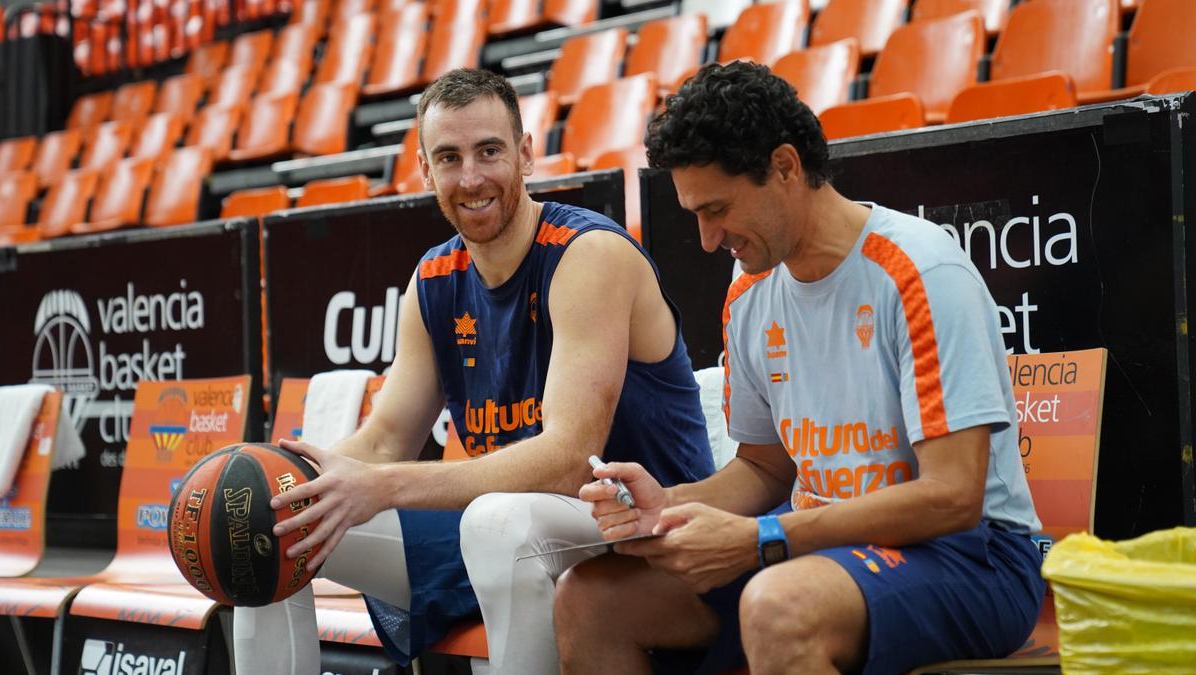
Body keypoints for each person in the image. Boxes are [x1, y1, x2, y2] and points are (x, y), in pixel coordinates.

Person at [553, 61, 1044, 675]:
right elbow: (764, 468)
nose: (707, 240)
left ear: (785, 167)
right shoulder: (749, 289)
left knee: (778, 604)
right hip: (820, 541)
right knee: (589, 598)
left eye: (718, 209)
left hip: (972, 557)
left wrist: (764, 539)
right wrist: (668, 508)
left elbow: (952, 499)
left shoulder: (920, 271)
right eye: (695, 215)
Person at [234, 68, 715, 675]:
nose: (471, 177)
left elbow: (570, 458)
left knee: (498, 521)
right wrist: (292, 481)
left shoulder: (588, 254)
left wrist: (383, 486)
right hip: (509, 529)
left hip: (645, 526)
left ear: (525, 154)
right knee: (266, 527)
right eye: (449, 157)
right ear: (425, 171)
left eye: (489, 151)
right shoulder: (432, 281)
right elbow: (385, 440)